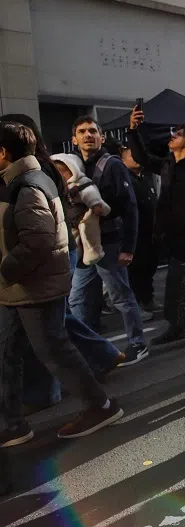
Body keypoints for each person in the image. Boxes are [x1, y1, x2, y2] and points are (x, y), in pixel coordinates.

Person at [0, 121, 124, 446]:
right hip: (20, 286)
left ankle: (100, 405)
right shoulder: (19, 179)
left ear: (3, 152)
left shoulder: (26, 185)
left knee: (54, 347)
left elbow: (37, 240)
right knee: (9, 350)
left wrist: (5, 270)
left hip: (32, 284)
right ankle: (13, 422)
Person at [68, 116, 147, 366]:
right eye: (82, 131)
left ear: (101, 137)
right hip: (84, 245)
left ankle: (138, 344)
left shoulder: (112, 165)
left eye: (93, 131)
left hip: (110, 244)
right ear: (74, 139)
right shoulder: (73, 166)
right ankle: (90, 350)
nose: (88, 135)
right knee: (77, 299)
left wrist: (128, 248)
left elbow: (131, 207)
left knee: (120, 296)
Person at [126, 114, 185, 344]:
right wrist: (132, 130)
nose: (172, 137)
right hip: (171, 234)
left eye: (178, 135)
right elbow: (142, 157)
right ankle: (178, 325)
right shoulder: (168, 164)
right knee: (179, 282)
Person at [49, 154, 110, 266]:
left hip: (86, 216)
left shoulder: (81, 183)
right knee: (73, 239)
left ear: (74, 170)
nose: (61, 176)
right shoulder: (58, 188)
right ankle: (75, 254)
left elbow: (90, 193)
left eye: (63, 172)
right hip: (70, 221)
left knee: (89, 231)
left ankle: (94, 252)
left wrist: (95, 204)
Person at [121, 144, 158, 314]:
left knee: (149, 266)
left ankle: (147, 298)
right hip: (135, 232)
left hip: (150, 231)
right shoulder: (125, 179)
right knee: (136, 270)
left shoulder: (145, 177)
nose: (136, 159)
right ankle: (138, 302)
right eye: (131, 156)